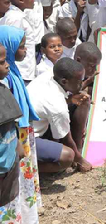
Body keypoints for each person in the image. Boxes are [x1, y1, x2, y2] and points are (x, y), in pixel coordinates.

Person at [0, 26, 42, 224]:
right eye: (21, 46)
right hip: (13, 139)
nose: (25, 50)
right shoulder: (6, 79)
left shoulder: (13, 73)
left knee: (21, 181)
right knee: (12, 184)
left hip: (22, 134)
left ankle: (26, 215)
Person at [28, 58, 92, 173]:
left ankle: (77, 148)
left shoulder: (50, 75)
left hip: (38, 125)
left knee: (84, 100)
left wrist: (69, 99)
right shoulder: (57, 106)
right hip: (28, 137)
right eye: (79, 81)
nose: (81, 84)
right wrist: (80, 160)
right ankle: (26, 170)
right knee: (67, 156)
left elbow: (47, 105)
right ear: (64, 81)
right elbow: (66, 138)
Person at [0, 43, 24, 211]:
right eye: (1, 62)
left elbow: (11, 121)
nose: (7, 64)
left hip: (9, 161)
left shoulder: (3, 88)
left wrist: (18, 145)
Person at [0, 0, 36, 82]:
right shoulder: (15, 18)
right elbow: (10, 48)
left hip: (24, 71)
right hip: (19, 70)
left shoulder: (18, 16)